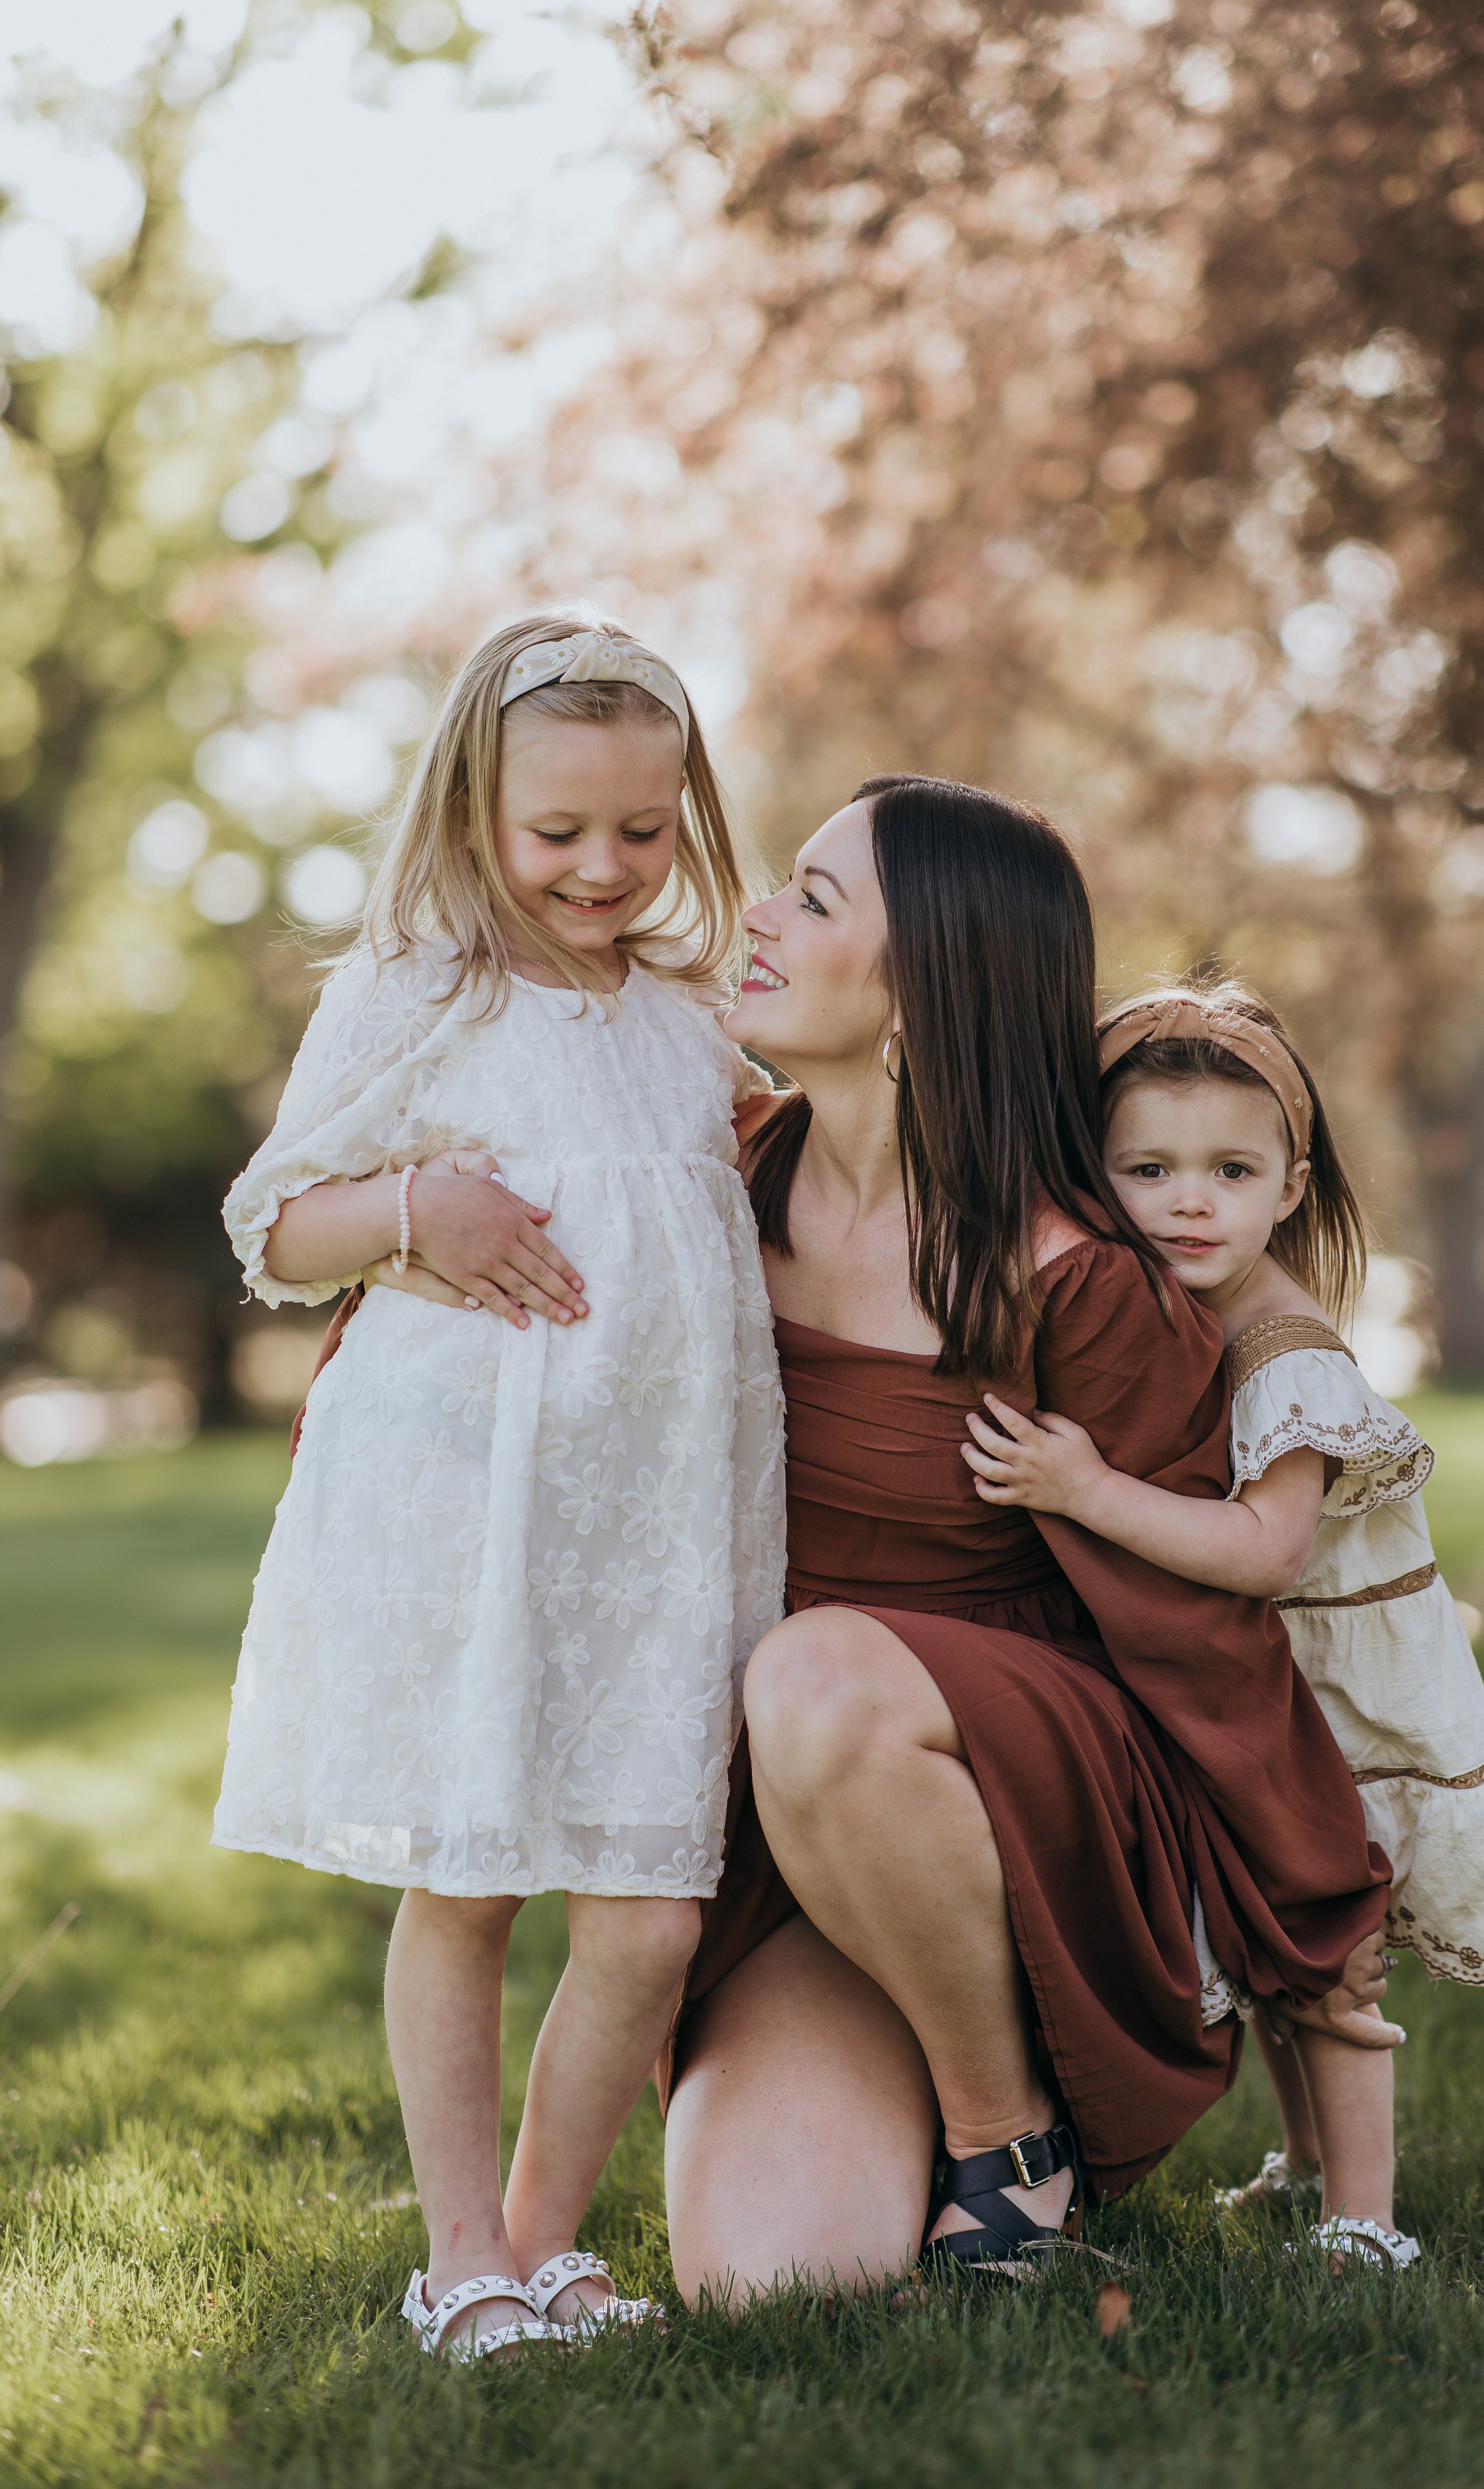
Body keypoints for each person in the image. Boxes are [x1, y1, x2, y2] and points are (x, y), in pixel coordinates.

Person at [649, 777, 1393, 2303]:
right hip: (799, 1807)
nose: (760, 918)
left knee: (818, 1681)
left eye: (813, 896)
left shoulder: (1076, 1277)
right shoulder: (719, 1185)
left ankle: (1007, 2136)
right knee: (775, 2283)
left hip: (1023, 1789)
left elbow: (1211, 1615)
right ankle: (906, 2070)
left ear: (920, 985)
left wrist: (1291, 1896)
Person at [214, 615, 786, 2360]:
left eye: (639, 827)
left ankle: (543, 2240)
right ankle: (458, 2248)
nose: (603, 867)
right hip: (469, 1497)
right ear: (474, 809)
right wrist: (414, 1215)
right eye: (558, 833)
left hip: (661, 1515)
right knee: (469, 1871)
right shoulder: (422, 986)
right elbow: (274, 1224)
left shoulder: (693, 1010)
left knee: (648, 1904)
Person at [961, 979, 1484, 2271]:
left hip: (1327, 1701)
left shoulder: (1282, 1349)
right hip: (1251, 1692)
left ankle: (1365, 2219)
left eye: (1229, 1170)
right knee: (1270, 1946)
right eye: (1148, 1168)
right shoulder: (1174, 1309)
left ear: (1288, 1188)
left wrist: (1083, 1490)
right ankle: (1298, 2164)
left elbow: (1263, 1548)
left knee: (1328, 1962)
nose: (1189, 1200)